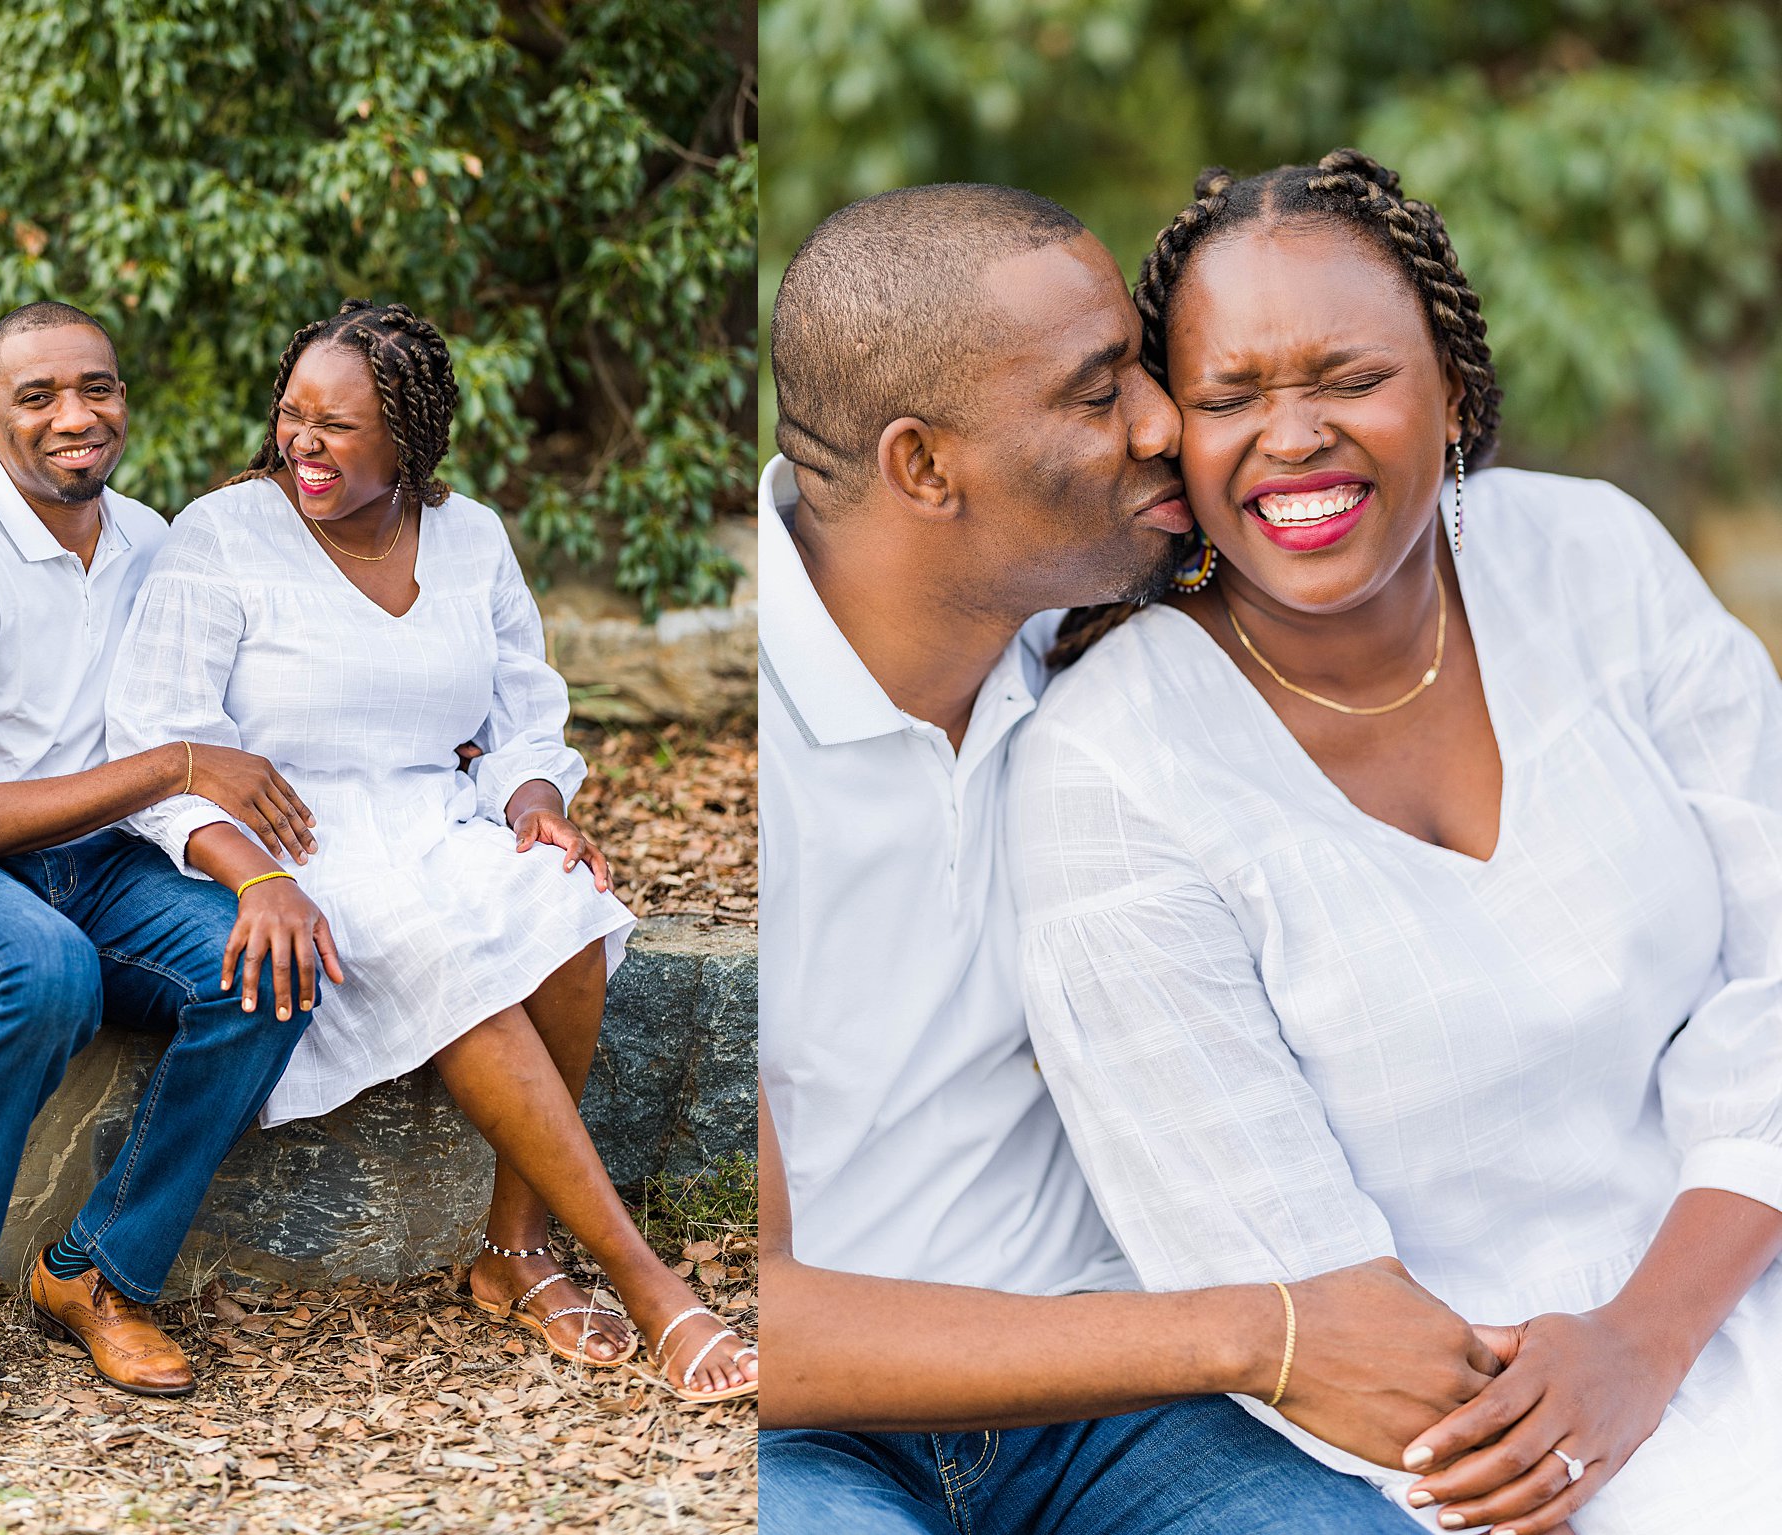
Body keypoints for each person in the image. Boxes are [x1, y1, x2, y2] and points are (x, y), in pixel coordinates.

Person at [1018, 149, 1782, 1535]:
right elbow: (1281, 1267)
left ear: (1454, 385)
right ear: (1169, 436)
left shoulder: (1595, 560)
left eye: (1349, 378)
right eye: (1228, 396)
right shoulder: (1113, 763)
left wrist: (1646, 1340)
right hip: (1455, 1436)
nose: (1292, 433)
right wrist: (1549, 1428)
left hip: (1735, 1268)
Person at [757, 183, 1511, 1535]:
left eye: (1144, 367)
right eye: (1103, 391)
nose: (1167, 423)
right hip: (816, 1435)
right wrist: (1261, 1335)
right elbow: (767, 1314)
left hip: (1124, 1416)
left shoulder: (1109, 640)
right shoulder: (745, 728)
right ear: (924, 468)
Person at [103, 298, 757, 1403]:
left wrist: (535, 802)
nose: (302, 443)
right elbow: (155, 740)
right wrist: (246, 870)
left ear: (408, 434)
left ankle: (514, 1252)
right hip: (296, 840)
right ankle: (649, 1285)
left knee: (566, 906)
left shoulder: (471, 539)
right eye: (290, 414)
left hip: (434, 817)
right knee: (453, 963)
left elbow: (522, 720)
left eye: (339, 426)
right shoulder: (221, 535)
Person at [0, 301, 328, 1429]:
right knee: (44, 970)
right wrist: (171, 766)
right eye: (40, 396)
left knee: (269, 961)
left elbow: (260, 677)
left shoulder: (152, 541)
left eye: (98, 388)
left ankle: (97, 1267)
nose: (77, 415)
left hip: (101, 866)